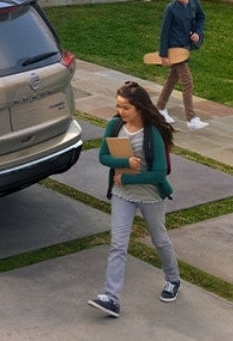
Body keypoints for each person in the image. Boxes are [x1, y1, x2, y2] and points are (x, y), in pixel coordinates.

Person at [88, 81, 181, 318]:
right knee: (118, 244)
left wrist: (129, 178)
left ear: (139, 107)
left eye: (125, 107)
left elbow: (159, 173)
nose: (120, 111)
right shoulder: (114, 125)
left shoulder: (153, 133)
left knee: (159, 241)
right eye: (118, 106)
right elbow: (103, 156)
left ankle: (173, 279)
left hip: (150, 197)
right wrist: (124, 164)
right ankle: (111, 297)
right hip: (122, 196)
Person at [156, 0, 208, 130]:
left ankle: (159, 108)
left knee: (172, 80)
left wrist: (197, 33)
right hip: (174, 49)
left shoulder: (194, 3)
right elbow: (164, 32)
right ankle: (191, 118)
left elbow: (201, 18)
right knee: (188, 82)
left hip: (185, 48)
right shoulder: (171, 9)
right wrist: (163, 54)